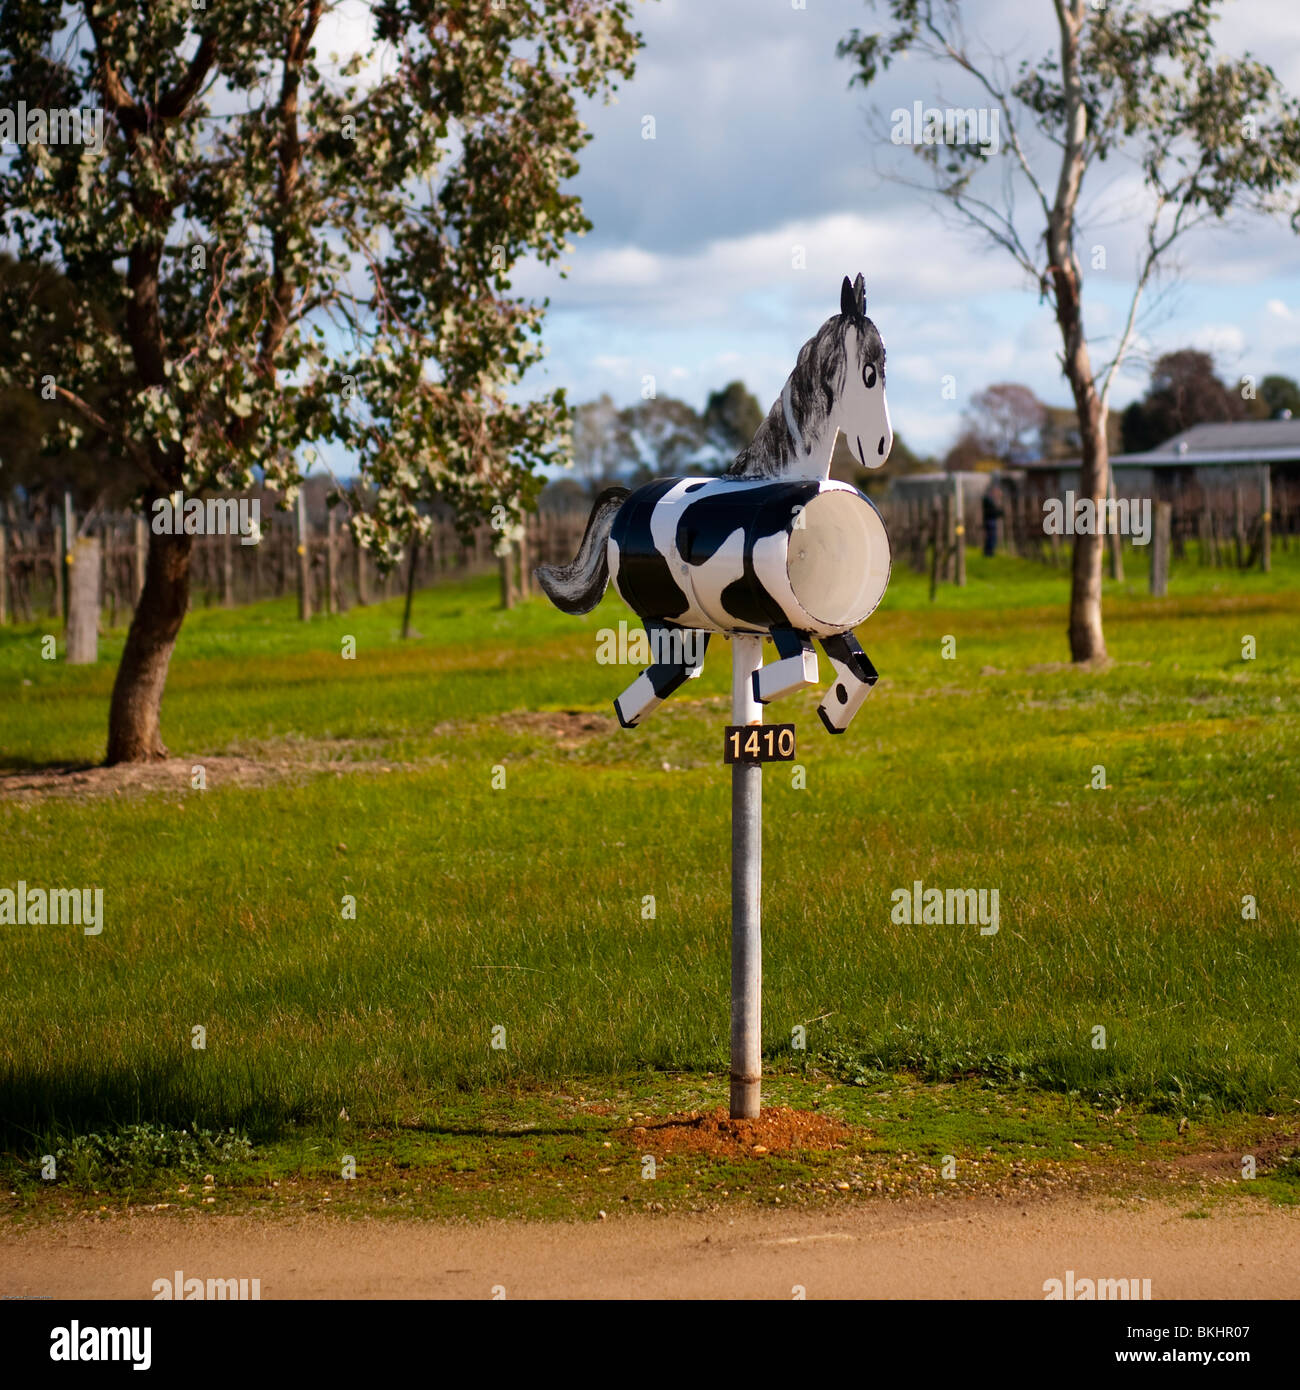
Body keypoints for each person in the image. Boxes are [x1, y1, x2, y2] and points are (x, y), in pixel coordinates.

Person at [982, 484, 1005, 557]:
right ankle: (989, 552)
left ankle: (989, 552)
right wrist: (1000, 512)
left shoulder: (990, 500)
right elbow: (993, 511)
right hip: (990, 520)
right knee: (991, 537)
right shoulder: (988, 500)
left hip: (991, 520)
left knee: (991, 537)